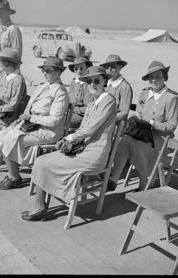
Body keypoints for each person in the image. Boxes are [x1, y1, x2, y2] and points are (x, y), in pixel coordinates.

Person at [21, 66, 117, 222]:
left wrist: (70, 138)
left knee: (45, 163)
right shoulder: (93, 102)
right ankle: (40, 206)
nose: (92, 84)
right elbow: (84, 128)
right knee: (40, 161)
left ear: (105, 81)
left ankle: (39, 207)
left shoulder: (108, 100)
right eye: (89, 81)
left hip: (95, 154)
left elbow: (91, 128)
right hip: (83, 149)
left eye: (97, 80)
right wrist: (68, 140)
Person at [0, 56, 70, 190]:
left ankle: (14, 177)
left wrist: (30, 117)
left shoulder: (60, 92)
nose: (45, 73)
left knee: (10, 139)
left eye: (48, 70)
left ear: (58, 72)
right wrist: (20, 121)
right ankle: (13, 172)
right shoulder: (43, 86)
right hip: (32, 126)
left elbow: (54, 120)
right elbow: (29, 107)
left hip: (49, 131)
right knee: (2, 133)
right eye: (43, 70)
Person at [107, 61, 178, 192]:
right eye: (151, 77)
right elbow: (139, 113)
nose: (154, 79)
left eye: (158, 76)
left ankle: (145, 183)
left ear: (165, 77)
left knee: (136, 147)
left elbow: (171, 126)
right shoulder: (145, 93)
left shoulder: (171, 98)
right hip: (142, 132)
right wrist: (135, 118)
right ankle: (113, 179)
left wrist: (152, 123)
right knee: (123, 141)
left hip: (161, 138)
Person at [0, 0, 23, 95]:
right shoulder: (1, 30)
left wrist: (10, 73)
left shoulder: (13, 30)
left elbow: (17, 54)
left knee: (5, 96)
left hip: (7, 70)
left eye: (1, 12)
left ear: (8, 13)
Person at [100, 54, 133, 121]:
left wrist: (106, 120)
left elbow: (124, 112)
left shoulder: (125, 86)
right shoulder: (103, 83)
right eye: (107, 66)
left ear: (120, 67)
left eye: (113, 66)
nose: (109, 68)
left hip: (114, 123)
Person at [68, 56, 93, 129]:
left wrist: (74, 109)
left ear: (87, 68)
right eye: (76, 69)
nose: (79, 71)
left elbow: (89, 108)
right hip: (70, 113)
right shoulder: (73, 82)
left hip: (82, 117)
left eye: (82, 68)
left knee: (63, 119)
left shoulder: (89, 85)